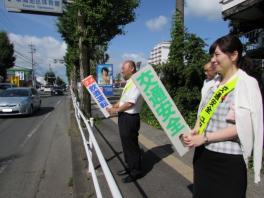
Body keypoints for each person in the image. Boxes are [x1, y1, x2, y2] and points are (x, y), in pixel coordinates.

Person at [182, 35, 263, 198]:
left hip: (228, 161)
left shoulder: (246, 83)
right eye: (212, 55)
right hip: (203, 157)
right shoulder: (213, 85)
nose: (213, 60)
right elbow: (203, 113)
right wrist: (194, 132)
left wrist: (205, 138)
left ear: (233, 55)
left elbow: (242, 127)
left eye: (217, 55)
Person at [107, 60, 143, 183]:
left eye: (123, 68)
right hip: (124, 117)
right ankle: (129, 167)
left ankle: (136, 171)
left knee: (131, 145)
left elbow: (130, 103)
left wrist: (115, 111)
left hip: (130, 118)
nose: (121, 70)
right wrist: (114, 106)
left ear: (132, 68)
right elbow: (123, 101)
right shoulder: (129, 82)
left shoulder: (137, 82)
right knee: (126, 144)